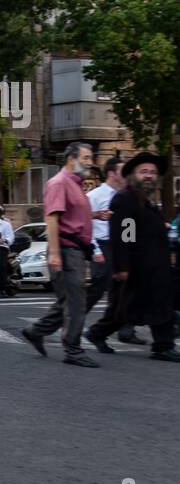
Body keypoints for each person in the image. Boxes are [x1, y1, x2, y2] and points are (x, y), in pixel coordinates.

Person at [86, 153, 180, 361]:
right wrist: (123, 267)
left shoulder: (145, 200)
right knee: (127, 308)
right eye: (144, 171)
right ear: (133, 175)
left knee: (149, 306)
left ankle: (161, 345)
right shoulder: (126, 199)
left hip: (155, 266)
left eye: (153, 173)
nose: (149, 176)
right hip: (139, 267)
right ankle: (161, 346)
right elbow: (125, 235)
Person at [21, 143, 98, 367]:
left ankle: (35, 331)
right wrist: (55, 255)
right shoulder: (59, 182)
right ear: (70, 159)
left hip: (74, 251)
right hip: (65, 250)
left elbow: (71, 216)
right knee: (75, 302)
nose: (89, 162)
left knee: (67, 300)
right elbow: (52, 219)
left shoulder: (76, 184)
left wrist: (95, 215)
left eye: (90, 158)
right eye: (85, 157)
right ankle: (73, 350)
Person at [84, 157, 139, 344]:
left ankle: (126, 330)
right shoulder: (95, 196)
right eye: (122, 171)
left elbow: (129, 223)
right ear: (111, 173)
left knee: (127, 288)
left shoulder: (128, 195)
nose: (126, 175)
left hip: (123, 245)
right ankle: (72, 317)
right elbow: (85, 225)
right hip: (103, 245)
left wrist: (132, 245)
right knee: (99, 287)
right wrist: (94, 250)